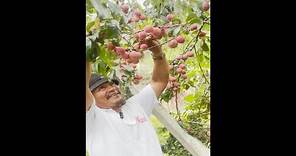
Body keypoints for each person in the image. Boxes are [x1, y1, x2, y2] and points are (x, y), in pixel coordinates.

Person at [86, 38, 169, 156]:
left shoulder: (136, 105)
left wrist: (157, 53)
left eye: (112, 84)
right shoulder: (91, 118)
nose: (112, 88)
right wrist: (89, 46)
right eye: (102, 88)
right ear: (91, 97)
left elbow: (159, 81)